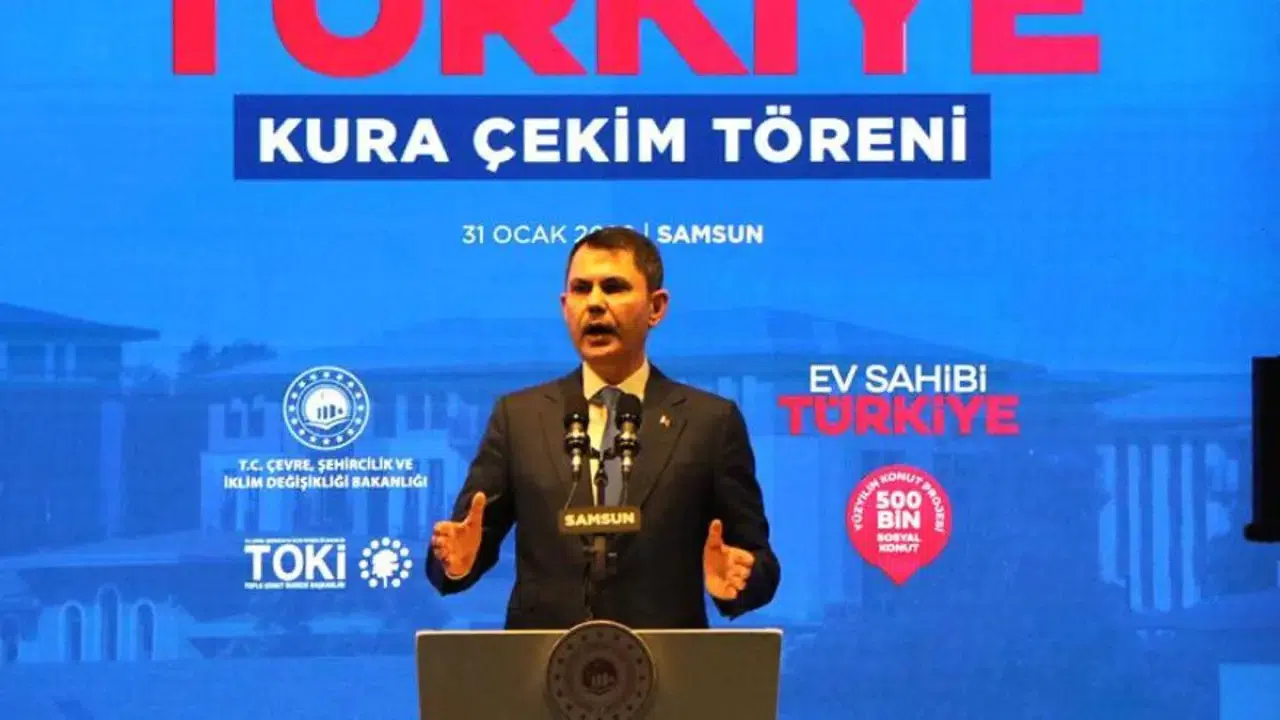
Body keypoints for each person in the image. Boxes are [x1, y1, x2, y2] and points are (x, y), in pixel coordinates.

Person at [426, 226, 780, 629]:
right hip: (542, 660)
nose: (594, 303)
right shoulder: (518, 418)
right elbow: (463, 545)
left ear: (656, 307)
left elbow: (758, 561)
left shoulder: (710, 423)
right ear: (565, 306)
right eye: (581, 289)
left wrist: (737, 579)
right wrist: (456, 561)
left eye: (613, 287)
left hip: (667, 659)